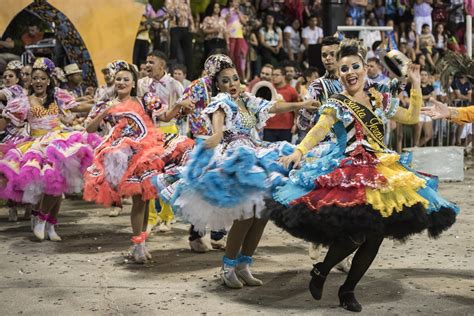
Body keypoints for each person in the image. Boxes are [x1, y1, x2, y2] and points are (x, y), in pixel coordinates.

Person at [267, 39, 458, 313]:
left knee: (375, 235)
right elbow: (319, 129)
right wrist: (299, 150)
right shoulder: (336, 102)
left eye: (355, 66)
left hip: (381, 169)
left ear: (365, 68)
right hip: (349, 170)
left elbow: (413, 116)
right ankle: (322, 270)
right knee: (357, 234)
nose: (350, 72)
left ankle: (348, 289)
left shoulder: (379, 98)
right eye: (343, 69)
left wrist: (415, 83)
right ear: (339, 74)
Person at [166, 61, 318, 289]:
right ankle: (228, 267)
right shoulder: (221, 102)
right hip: (238, 157)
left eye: (235, 78)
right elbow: (217, 129)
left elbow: (275, 108)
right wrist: (213, 139)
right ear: (217, 85)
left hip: (257, 151)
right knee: (246, 214)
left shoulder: (247, 100)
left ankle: (244, 265)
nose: (232, 84)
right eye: (225, 81)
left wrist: (303, 103)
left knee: (264, 212)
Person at [84, 60, 189, 263]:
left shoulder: (145, 100)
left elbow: (166, 116)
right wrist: (105, 113)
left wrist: (180, 105)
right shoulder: (107, 104)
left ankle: (139, 244)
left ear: (134, 83)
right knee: (138, 202)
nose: (122, 82)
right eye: (118, 79)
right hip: (124, 157)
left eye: (126, 79)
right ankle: (138, 245)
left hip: (148, 152)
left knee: (146, 198)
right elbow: (89, 128)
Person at [0, 57, 98, 241]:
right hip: (37, 145)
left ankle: (50, 224)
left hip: (58, 142)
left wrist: (103, 106)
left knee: (59, 184)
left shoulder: (58, 96)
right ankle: (41, 218)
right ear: (30, 80)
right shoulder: (24, 101)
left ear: (48, 80)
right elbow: (5, 123)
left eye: (42, 78)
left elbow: (77, 106)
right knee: (51, 185)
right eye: (35, 78)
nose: (38, 82)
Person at [153, 54, 235, 253]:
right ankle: (197, 234)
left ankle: (218, 233)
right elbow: (180, 110)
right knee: (203, 190)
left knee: (226, 188)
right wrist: (185, 107)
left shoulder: (230, 84)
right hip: (203, 142)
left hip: (228, 142)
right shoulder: (200, 86)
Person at [138, 50, 186, 233]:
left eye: (151, 62)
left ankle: (167, 217)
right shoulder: (142, 84)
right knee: (149, 176)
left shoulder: (175, 85)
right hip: (149, 133)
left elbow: (185, 109)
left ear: (162, 66)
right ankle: (151, 217)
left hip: (170, 132)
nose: (147, 65)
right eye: (146, 61)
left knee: (167, 175)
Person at [0, 60, 30, 222]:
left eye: (11, 76)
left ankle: (28, 207)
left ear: (17, 79)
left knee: (22, 174)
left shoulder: (16, 90)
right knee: (7, 174)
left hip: (23, 137)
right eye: (5, 76)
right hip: (8, 136)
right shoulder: (8, 91)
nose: (7, 79)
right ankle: (12, 207)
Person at [263, 66, 299, 142]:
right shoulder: (267, 89)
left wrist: (296, 124)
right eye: (272, 75)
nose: (274, 77)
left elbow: (297, 109)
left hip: (286, 128)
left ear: (283, 76)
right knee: (268, 152)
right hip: (268, 127)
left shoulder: (291, 91)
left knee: (285, 152)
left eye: (277, 75)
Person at [166, 0, 194, 78]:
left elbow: (189, 13)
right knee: (175, 52)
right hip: (175, 27)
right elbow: (170, 12)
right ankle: (173, 73)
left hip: (186, 28)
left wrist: (192, 26)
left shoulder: (186, 1)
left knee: (188, 54)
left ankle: (189, 77)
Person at [221, 0, 248, 80]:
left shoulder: (239, 11)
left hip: (239, 36)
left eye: (238, 2)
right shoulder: (225, 10)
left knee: (239, 56)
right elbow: (224, 21)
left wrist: (238, 12)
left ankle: (240, 76)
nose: (237, 3)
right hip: (230, 36)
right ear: (230, 2)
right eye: (235, 1)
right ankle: (229, 74)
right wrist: (230, 11)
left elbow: (244, 22)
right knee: (230, 55)